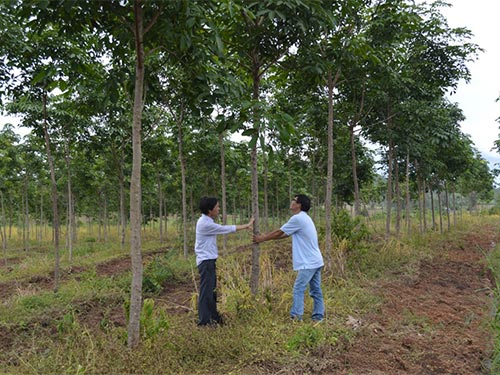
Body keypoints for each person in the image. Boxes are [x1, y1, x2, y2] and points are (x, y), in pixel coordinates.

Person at [253, 194, 324, 322]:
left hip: (308, 262)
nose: (291, 202)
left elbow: (279, 232)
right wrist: (268, 238)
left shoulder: (297, 218)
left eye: (294, 200)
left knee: (298, 289)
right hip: (316, 260)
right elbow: (284, 234)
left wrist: (262, 239)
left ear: (299, 205)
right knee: (315, 290)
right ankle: (318, 317)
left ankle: (296, 317)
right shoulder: (305, 218)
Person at [195, 196, 254, 326]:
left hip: (208, 261)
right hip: (206, 262)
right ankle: (204, 321)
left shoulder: (206, 220)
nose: (219, 209)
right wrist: (246, 226)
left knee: (212, 291)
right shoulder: (205, 224)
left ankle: (214, 317)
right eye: (217, 207)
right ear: (210, 210)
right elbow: (224, 229)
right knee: (206, 292)